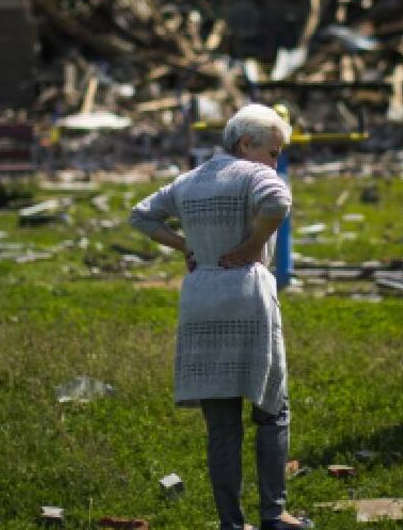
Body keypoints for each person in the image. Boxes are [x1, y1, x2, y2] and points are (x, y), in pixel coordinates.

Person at [129, 104, 313, 530]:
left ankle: (231, 523)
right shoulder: (254, 175)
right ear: (246, 143)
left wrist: (186, 247)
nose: (275, 161)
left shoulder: (189, 181)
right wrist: (254, 245)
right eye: (273, 151)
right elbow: (279, 200)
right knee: (272, 408)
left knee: (222, 424)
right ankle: (274, 514)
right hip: (247, 295)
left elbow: (140, 215)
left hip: (200, 298)